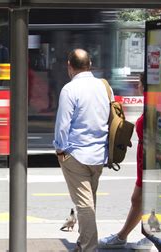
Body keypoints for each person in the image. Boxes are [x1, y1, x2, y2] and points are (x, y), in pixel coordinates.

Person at [53, 48, 110, 251]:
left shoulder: (70, 89)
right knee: (89, 202)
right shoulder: (104, 86)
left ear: (70, 66)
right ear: (90, 64)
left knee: (85, 205)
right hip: (99, 155)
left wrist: (60, 151)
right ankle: (81, 243)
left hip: (76, 155)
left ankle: (89, 247)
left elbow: (62, 125)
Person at [98, 73, 153, 250]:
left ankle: (137, 237)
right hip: (145, 158)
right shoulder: (151, 101)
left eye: (139, 83)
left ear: (144, 85)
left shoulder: (155, 101)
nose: (137, 86)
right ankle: (144, 236)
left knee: (141, 198)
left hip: (152, 159)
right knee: (141, 199)